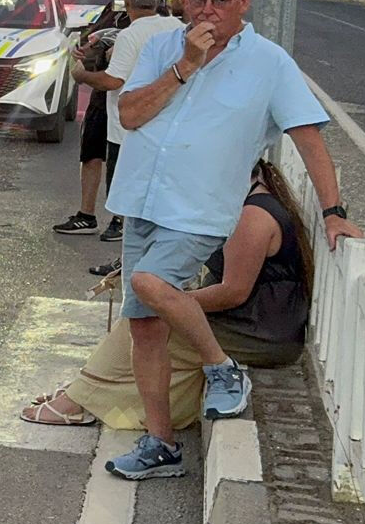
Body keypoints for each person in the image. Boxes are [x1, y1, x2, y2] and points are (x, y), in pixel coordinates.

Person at [102, 0, 358, 480]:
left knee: (151, 283)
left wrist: (333, 212)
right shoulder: (163, 47)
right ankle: (161, 445)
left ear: (243, 3)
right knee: (145, 326)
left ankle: (222, 368)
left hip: (200, 209)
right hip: (141, 199)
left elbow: (308, 139)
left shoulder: (270, 63)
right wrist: (185, 66)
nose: (206, 10)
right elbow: (129, 115)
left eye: (219, 1)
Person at [23, 157, 312, 429]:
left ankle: (79, 399)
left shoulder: (252, 217)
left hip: (261, 333)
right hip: (251, 321)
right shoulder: (245, 201)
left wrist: (172, 301)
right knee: (144, 319)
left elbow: (233, 293)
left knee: (145, 321)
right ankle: (85, 392)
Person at [58, 0, 167, 239]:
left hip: (125, 105)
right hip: (112, 102)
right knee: (94, 153)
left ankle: (121, 225)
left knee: (122, 168)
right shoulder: (117, 13)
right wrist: (92, 46)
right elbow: (93, 37)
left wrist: (81, 75)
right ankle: (90, 216)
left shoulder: (154, 27)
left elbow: (112, 79)